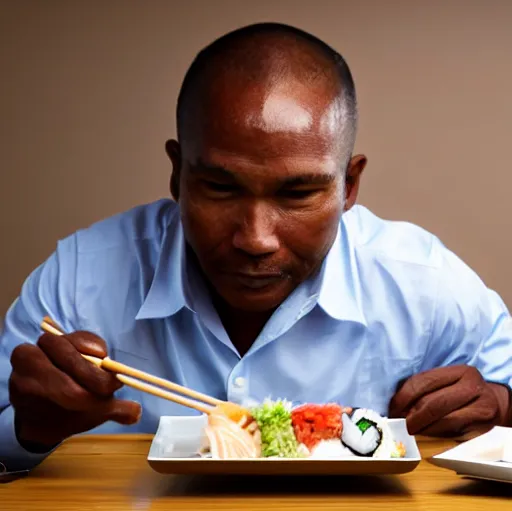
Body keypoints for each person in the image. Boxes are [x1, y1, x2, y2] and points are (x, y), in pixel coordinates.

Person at [1, 22, 511, 472]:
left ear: (348, 186)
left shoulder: (420, 280)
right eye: (221, 188)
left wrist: (501, 404)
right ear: (178, 173)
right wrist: (28, 431)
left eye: (298, 193)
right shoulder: (81, 275)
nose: (255, 239)